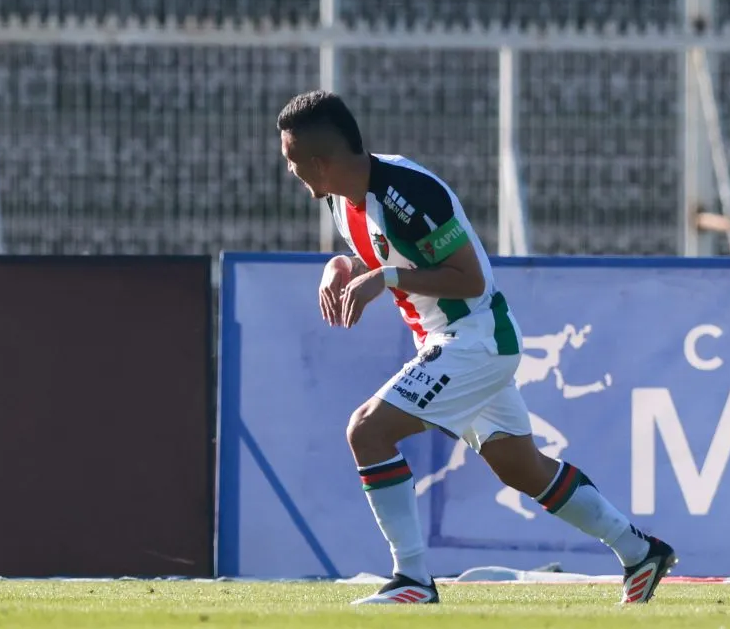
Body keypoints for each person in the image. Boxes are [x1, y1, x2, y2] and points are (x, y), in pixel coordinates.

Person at [276, 90, 677, 605]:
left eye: (292, 162)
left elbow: (471, 281)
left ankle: (413, 580)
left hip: (476, 340)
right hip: (454, 343)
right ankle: (639, 551)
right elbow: (371, 254)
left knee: (368, 431)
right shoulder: (341, 197)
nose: (290, 172)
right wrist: (341, 268)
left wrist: (385, 277)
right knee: (522, 468)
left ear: (320, 162)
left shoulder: (409, 193)